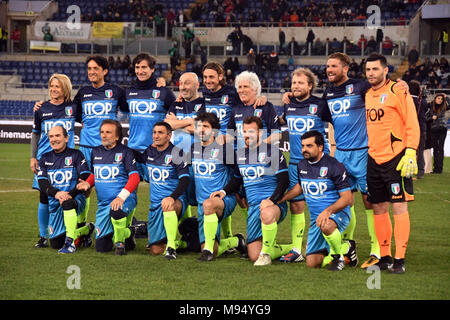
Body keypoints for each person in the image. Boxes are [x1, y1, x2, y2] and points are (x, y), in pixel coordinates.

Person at [34, 56, 129, 240]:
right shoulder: (83, 93)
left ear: (105, 71)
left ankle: (122, 224)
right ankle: (81, 223)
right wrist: (41, 104)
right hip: (86, 146)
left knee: (111, 184)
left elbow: (128, 108)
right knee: (83, 187)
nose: (91, 71)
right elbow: (66, 111)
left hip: (108, 147)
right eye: (89, 68)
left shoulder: (116, 91)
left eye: (95, 68)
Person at [365, 53, 420, 274]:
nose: (370, 73)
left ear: (386, 70)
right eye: (368, 70)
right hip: (374, 158)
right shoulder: (367, 94)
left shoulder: (398, 90)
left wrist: (410, 152)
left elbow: (412, 123)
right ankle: (385, 256)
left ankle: (400, 259)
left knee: (399, 207)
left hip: (396, 158)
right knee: (378, 208)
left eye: (375, 69)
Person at [215, 116, 290, 266]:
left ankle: (267, 254)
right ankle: (287, 248)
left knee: (267, 214)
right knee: (253, 255)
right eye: (244, 132)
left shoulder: (272, 151)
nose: (247, 135)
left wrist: (271, 200)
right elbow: (236, 180)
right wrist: (223, 191)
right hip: (254, 208)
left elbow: (284, 181)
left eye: (251, 131)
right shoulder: (240, 154)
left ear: (261, 133)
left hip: (273, 205)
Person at [278, 68, 331, 263]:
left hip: (317, 164)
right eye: (293, 83)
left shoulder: (320, 104)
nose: (295, 86)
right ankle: (296, 249)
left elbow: (334, 124)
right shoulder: (288, 104)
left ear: (310, 85)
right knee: (296, 205)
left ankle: (329, 245)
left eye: (300, 83)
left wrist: (332, 148)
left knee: (321, 206)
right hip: (295, 163)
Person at [280, 130, 353, 271]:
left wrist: (328, 211)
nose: (304, 150)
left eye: (309, 146)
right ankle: (345, 248)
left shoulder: (334, 165)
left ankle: (339, 257)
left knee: (326, 225)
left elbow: (347, 198)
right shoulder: (302, 165)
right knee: (312, 263)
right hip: (316, 220)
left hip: (337, 214)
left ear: (320, 147)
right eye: (303, 146)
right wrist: (281, 199)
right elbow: (299, 188)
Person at [77, 120, 139, 255]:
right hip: (103, 204)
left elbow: (135, 177)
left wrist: (121, 197)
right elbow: (95, 174)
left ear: (117, 136)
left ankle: (120, 243)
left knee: (116, 210)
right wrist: (87, 183)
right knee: (102, 247)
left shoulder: (126, 152)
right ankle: (130, 231)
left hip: (123, 200)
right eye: (102, 132)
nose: (104, 135)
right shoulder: (95, 151)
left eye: (108, 132)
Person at [31, 74, 78, 249]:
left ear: (65, 88)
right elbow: (35, 133)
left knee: (68, 195)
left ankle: (72, 231)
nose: (53, 89)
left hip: (67, 160)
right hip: (45, 158)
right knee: (44, 197)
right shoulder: (41, 109)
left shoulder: (73, 108)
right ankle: (43, 236)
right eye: (51, 86)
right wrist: (33, 157)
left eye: (57, 86)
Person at [191, 112, 246, 261]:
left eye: (206, 127)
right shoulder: (193, 149)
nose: (201, 130)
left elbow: (238, 175)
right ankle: (236, 241)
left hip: (222, 201)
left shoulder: (225, 150)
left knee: (209, 204)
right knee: (214, 249)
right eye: (199, 127)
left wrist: (224, 191)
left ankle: (208, 250)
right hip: (203, 205)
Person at [36, 126, 95, 253]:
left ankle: (70, 243)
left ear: (66, 138)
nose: (54, 139)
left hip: (75, 200)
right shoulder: (44, 158)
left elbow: (84, 176)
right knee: (56, 243)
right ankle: (86, 230)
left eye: (57, 136)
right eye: (51, 136)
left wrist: (70, 194)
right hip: (56, 203)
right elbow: (42, 182)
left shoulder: (76, 155)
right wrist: (56, 193)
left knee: (68, 203)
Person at [139, 122, 190, 259]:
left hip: (174, 200)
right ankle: (185, 243)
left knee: (169, 206)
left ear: (169, 136)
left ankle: (171, 248)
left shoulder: (177, 152)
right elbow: (138, 160)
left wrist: (172, 197)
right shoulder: (149, 151)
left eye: (160, 133)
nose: (156, 136)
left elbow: (185, 179)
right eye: (154, 132)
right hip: (155, 204)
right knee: (155, 250)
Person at [125, 53, 176, 180]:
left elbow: (174, 116)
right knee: (130, 188)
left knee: (158, 187)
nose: (140, 71)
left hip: (156, 149)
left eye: (144, 67)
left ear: (152, 69)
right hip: (133, 149)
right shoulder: (129, 92)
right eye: (137, 67)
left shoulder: (164, 92)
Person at [409, 80, 429, 179]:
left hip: (410, 128)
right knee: (420, 150)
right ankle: (420, 171)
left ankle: (408, 170)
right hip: (421, 128)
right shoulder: (423, 101)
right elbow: (425, 109)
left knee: (407, 150)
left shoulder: (407, 100)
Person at [429, 93, 449, 174]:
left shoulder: (444, 107)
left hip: (442, 129)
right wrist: (431, 118)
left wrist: (446, 97)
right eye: (438, 98)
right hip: (433, 130)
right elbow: (426, 118)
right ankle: (435, 169)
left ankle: (439, 169)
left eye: (441, 99)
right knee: (435, 149)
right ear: (435, 99)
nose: (440, 100)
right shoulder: (430, 107)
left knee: (440, 148)